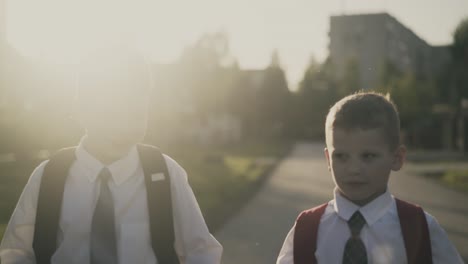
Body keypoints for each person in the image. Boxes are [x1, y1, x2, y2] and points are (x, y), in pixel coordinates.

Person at [0, 45, 223, 264]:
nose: (124, 125)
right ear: (81, 110)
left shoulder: (164, 174)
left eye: (137, 111)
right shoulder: (48, 178)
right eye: (113, 111)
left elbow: (201, 250)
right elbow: (16, 253)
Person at [276, 92, 463, 263]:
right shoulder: (307, 229)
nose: (354, 169)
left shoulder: (420, 228)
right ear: (328, 159)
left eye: (368, 156)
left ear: (397, 158)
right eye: (341, 156)